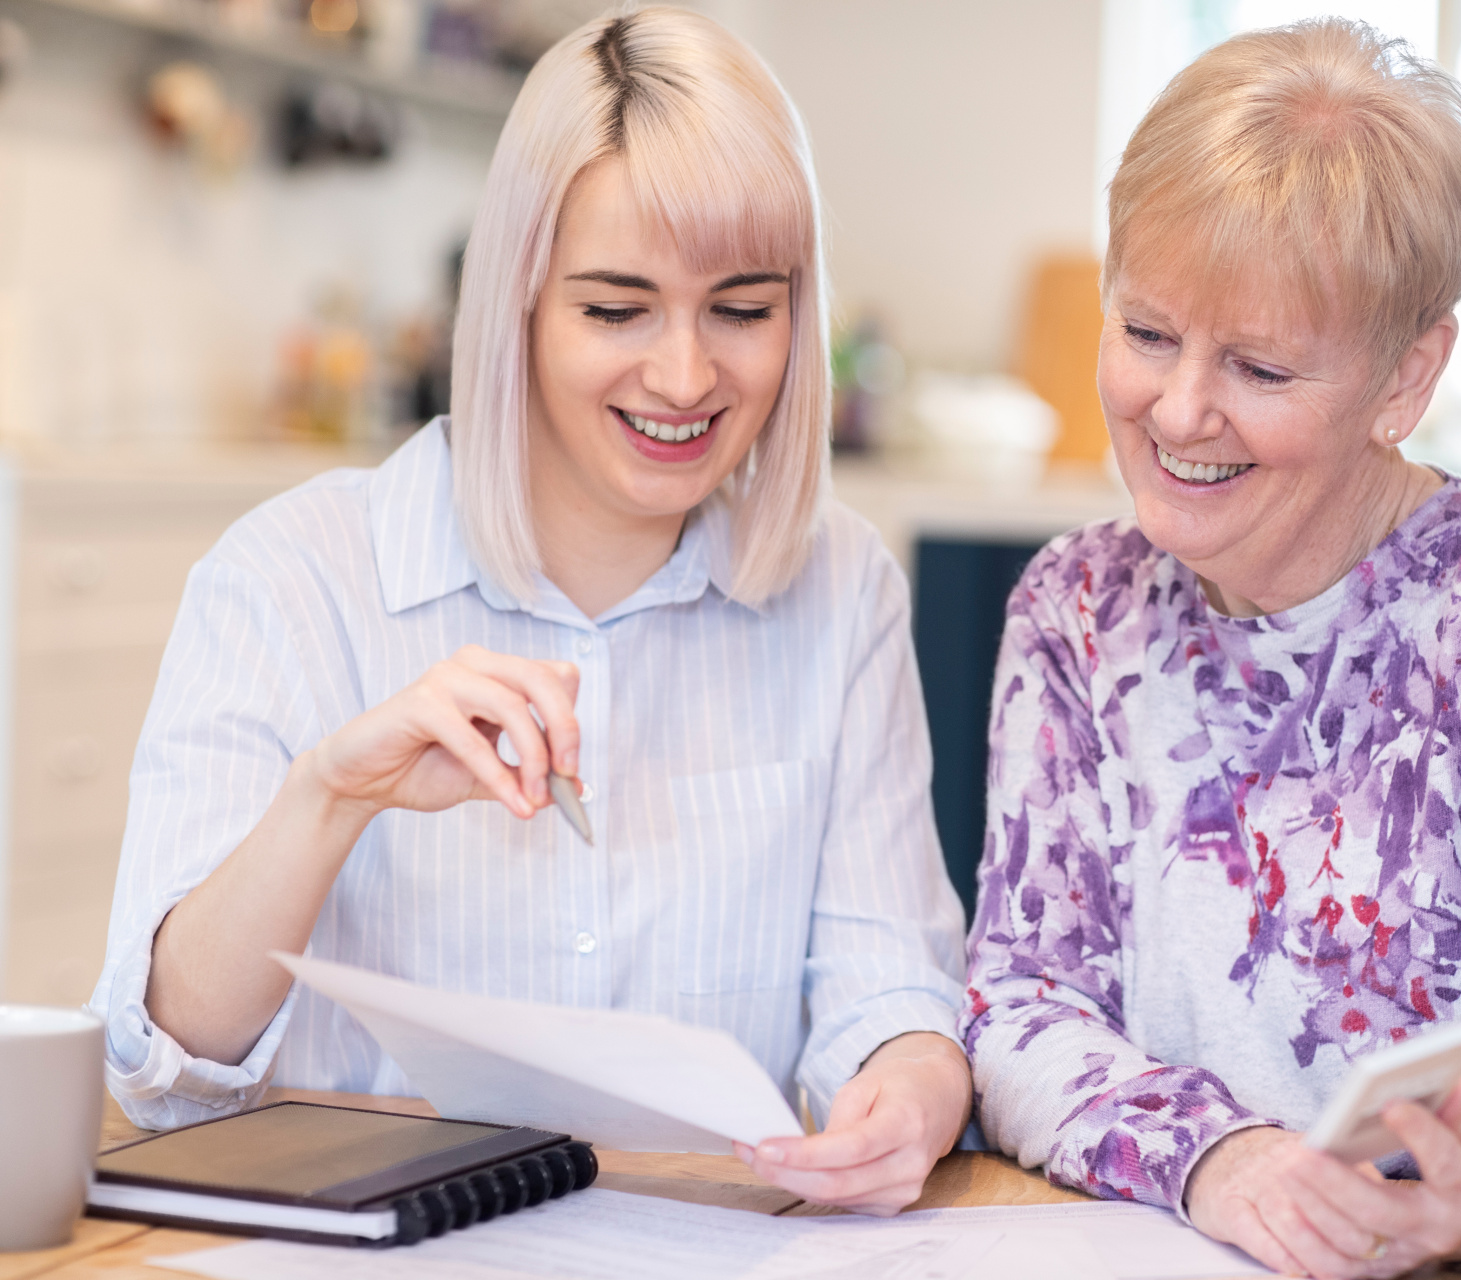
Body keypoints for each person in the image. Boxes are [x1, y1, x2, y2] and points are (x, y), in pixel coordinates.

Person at [90, 7, 970, 1215]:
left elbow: (890, 988)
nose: (684, 376)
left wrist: (913, 1089)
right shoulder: (291, 577)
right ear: (518, 298)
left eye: (741, 309)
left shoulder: (842, 586)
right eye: (615, 309)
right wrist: (332, 794)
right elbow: (162, 1072)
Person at [962, 19, 1461, 1276]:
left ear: (1406, 378)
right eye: (1148, 333)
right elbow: (1021, 1008)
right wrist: (1219, 1158)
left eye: (1260, 367)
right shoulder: (1076, 605)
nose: (1180, 410)